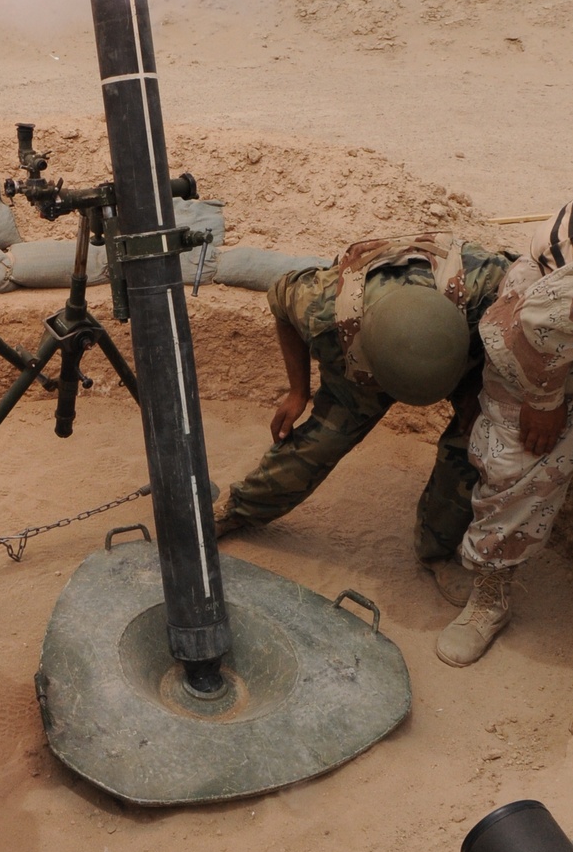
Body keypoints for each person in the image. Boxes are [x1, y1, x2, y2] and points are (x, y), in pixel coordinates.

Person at [213, 233, 515, 604]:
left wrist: (482, 386)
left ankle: (435, 551)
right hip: (362, 359)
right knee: (320, 444)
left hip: (461, 356)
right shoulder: (323, 310)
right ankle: (239, 510)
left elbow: (532, 333)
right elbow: (279, 295)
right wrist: (298, 391)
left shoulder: (491, 286)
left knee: (471, 442)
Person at [436, 178, 573, 667]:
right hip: (542, 330)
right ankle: (489, 594)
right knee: (521, 463)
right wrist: (544, 396)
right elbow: (541, 321)